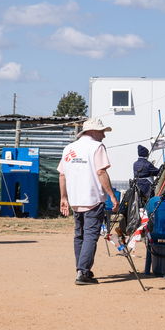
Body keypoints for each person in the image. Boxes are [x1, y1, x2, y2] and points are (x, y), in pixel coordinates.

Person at [58, 117, 115, 285]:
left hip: (75, 198)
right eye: (102, 131)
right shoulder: (97, 147)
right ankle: (83, 272)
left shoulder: (69, 148)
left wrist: (63, 197)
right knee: (90, 235)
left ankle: (81, 269)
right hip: (92, 198)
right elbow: (101, 172)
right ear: (94, 131)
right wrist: (111, 195)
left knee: (80, 235)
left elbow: (62, 174)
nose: (104, 135)